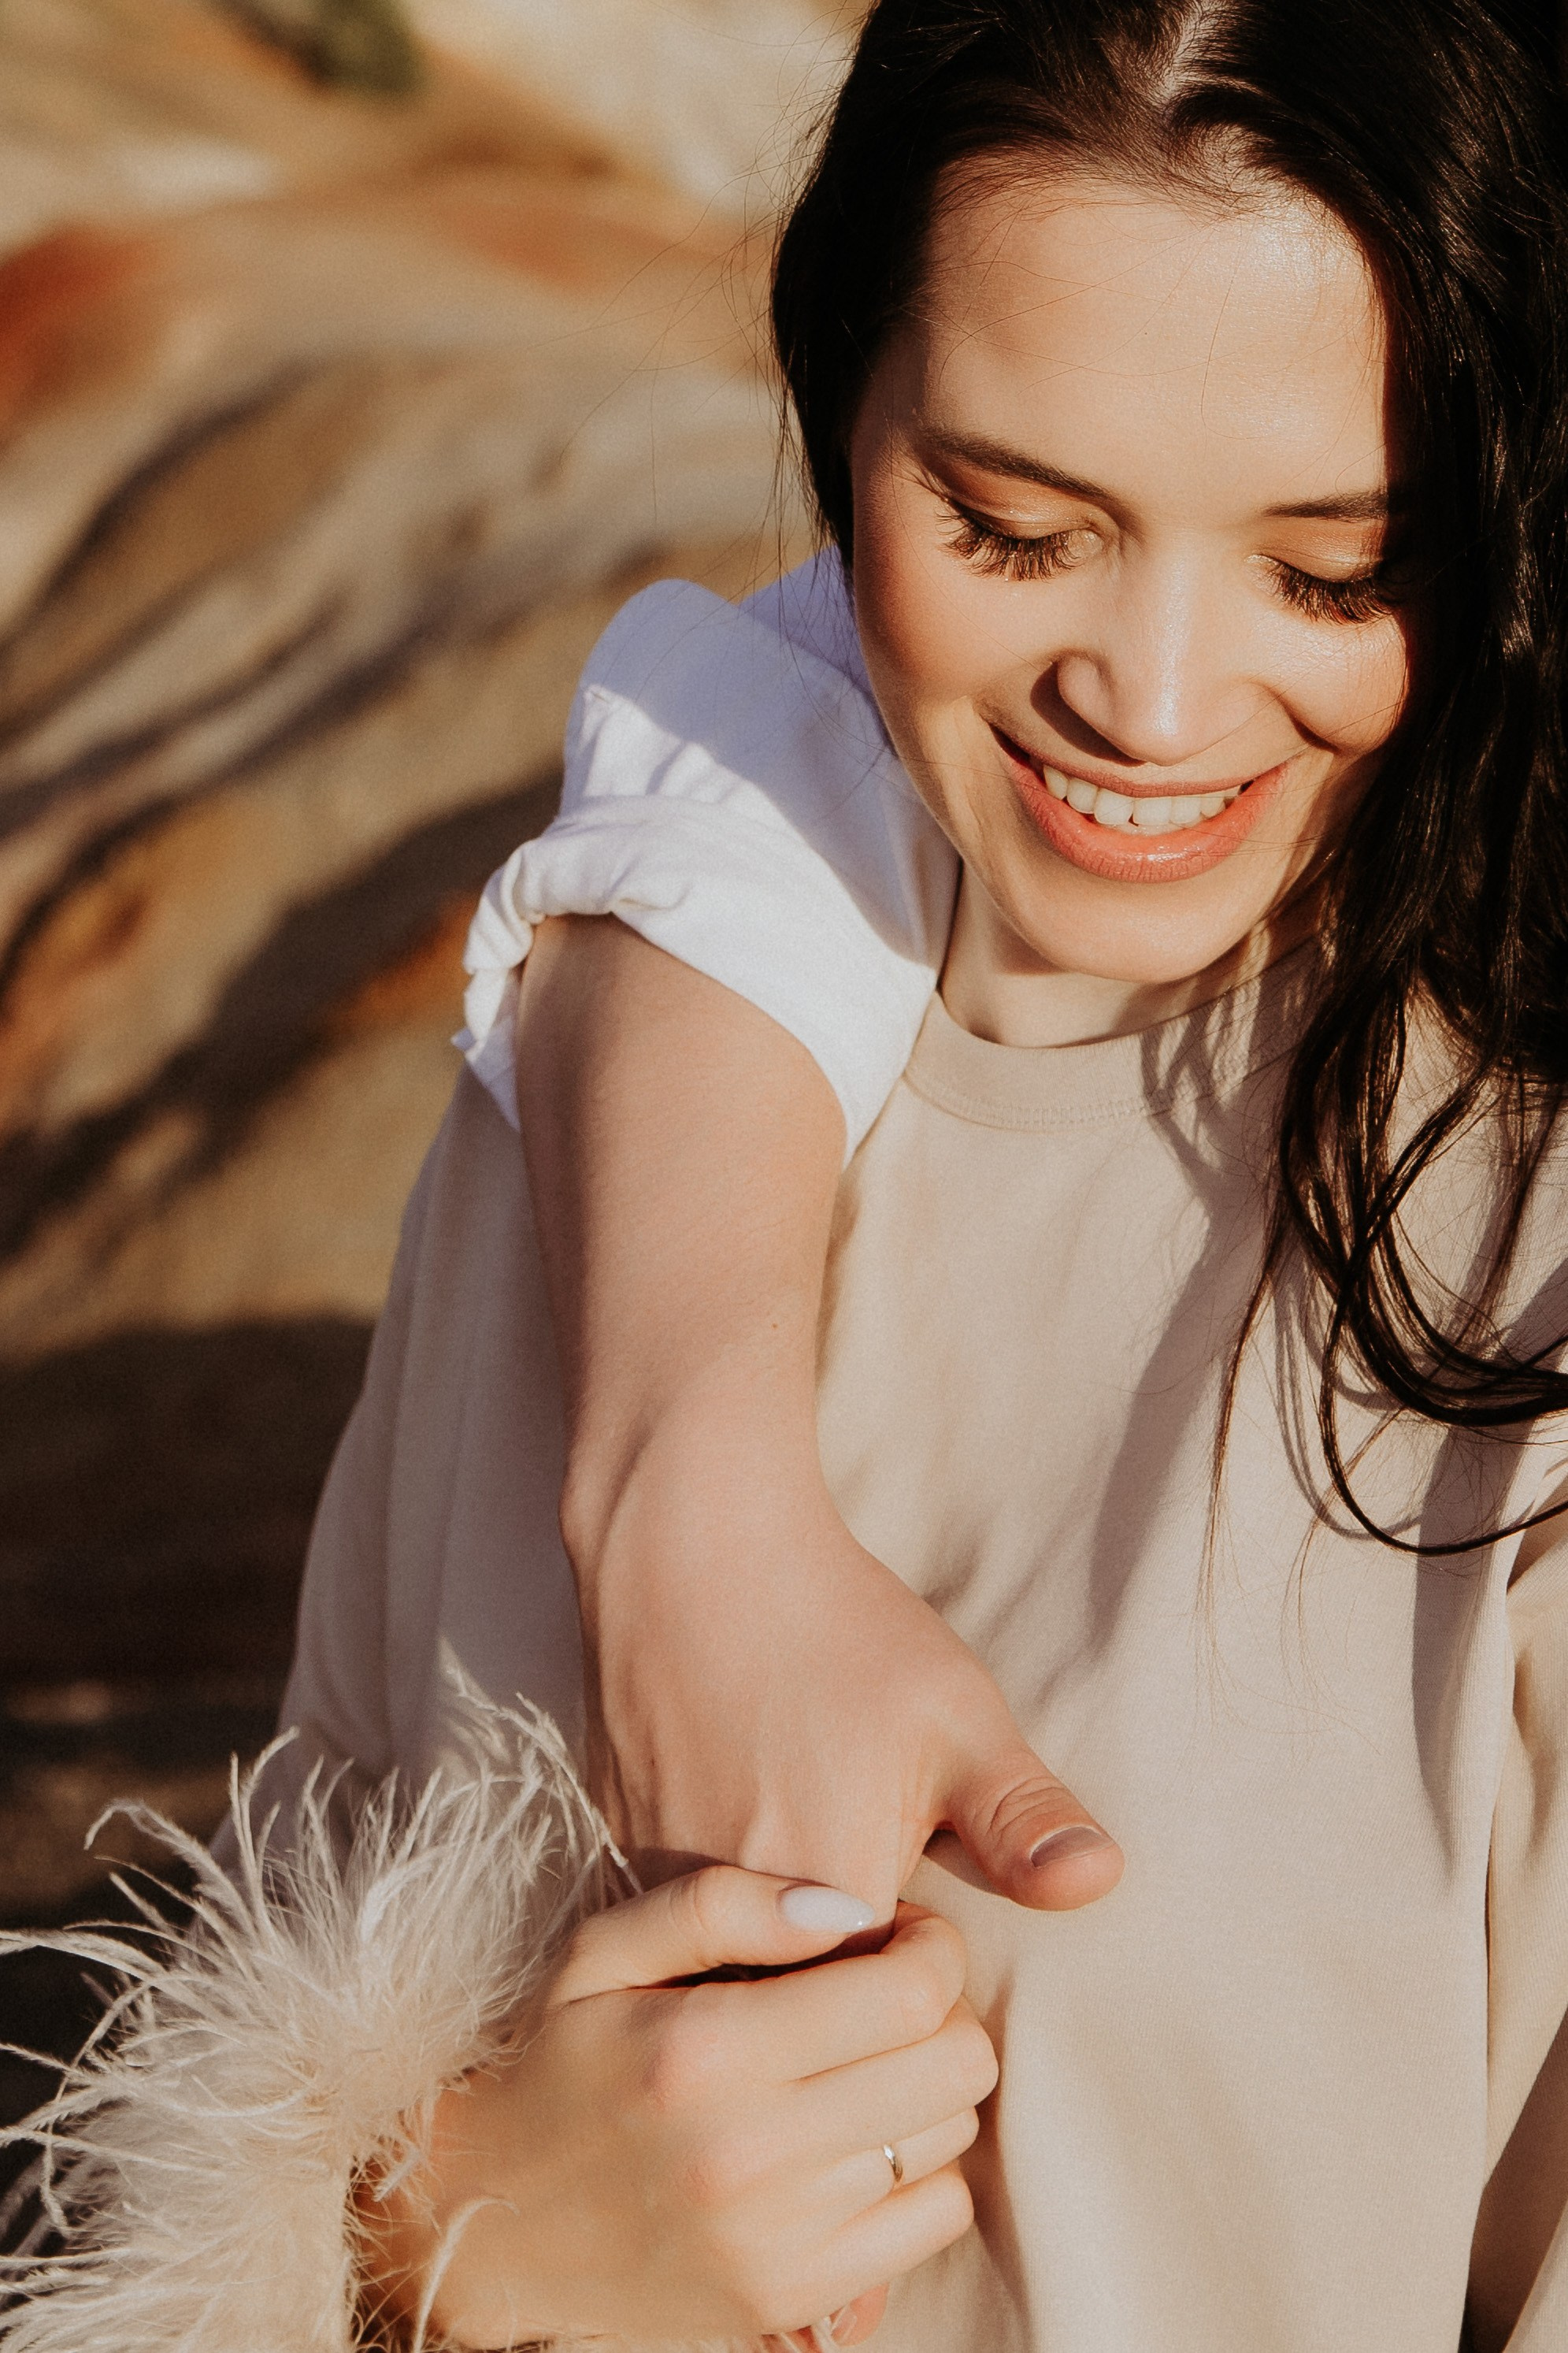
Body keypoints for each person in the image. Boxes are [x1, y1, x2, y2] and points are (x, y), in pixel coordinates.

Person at [10, 2, 1568, 2348]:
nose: (1148, 701)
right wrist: (436, 2231)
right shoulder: (592, 1108)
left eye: (1328, 574)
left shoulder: (1525, 1256)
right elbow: (252, 1992)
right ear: (841, 432)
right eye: (1014, 527)